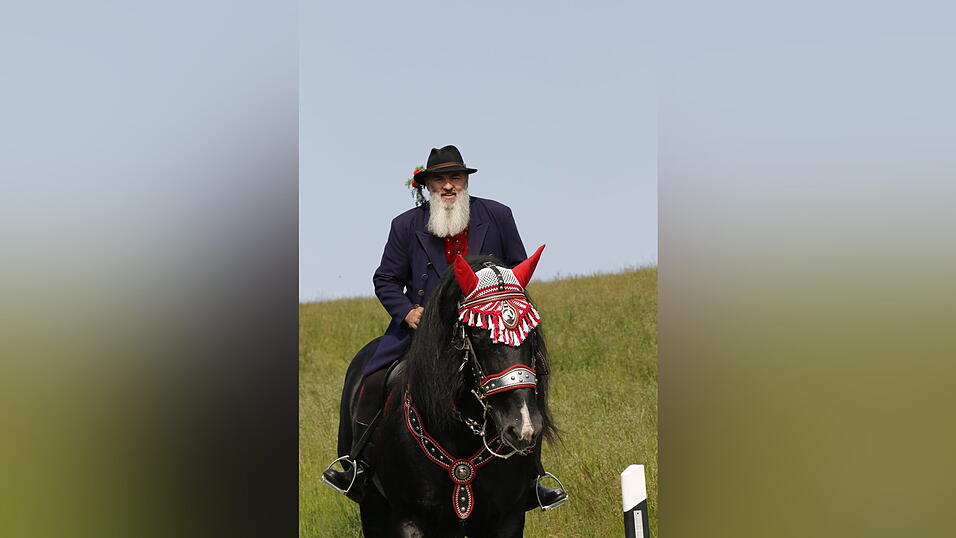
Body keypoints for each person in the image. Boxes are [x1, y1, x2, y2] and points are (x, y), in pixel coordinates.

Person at [323, 145, 567, 511]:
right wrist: (407, 312)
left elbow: (517, 271)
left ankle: (533, 476)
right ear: (428, 185)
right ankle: (355, 464)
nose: (449, 186)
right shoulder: (405, 225)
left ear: (465, 182)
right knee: (371, 373)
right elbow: (386, 278)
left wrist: (505, 310)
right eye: (440, 179)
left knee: (530, 373)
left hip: (486, 330)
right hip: (422, 333)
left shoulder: (498, 215)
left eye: (456, 178)